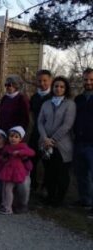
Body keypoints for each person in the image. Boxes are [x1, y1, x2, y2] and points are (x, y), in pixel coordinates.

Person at [38, 76, 76, 207]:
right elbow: (40, 122)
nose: (58, 89)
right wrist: (45, 138)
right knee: (49, 172)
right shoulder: (46, 103)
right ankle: (49, 197)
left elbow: (67, 125)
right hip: (45, 144)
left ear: (66, 89)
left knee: (61, 174)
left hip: (62, 145)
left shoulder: (70, 104)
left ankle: (59, 200)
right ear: (52, 87)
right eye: (56, 86)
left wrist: (52, 140)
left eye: (61, 87)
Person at [0, 129, 32, 214]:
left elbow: (29, 167)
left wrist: (24, 159)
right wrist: (3, 163)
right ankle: (6, 203)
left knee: (24, 183)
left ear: (5, 138)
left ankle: (22, 204)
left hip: (20, 174)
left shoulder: (15, 147)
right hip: (4, 176)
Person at [73, 68, 93, 214]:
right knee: (81, 174)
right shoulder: (78, 99)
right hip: (79, 142)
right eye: (86, 79)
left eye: (91, 80)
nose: (88, 82)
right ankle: (85, 200)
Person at [28, 70, 53, 190]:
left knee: (48, 163)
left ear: (50, 81)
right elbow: (32, 114)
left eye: (45, 80)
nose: (42, 83)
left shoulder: (54, 97)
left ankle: (46, 188)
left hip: (49, 135)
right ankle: (32, 186)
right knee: (31, 160)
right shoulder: (34, 97)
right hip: (35, 134)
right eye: (39, 81)